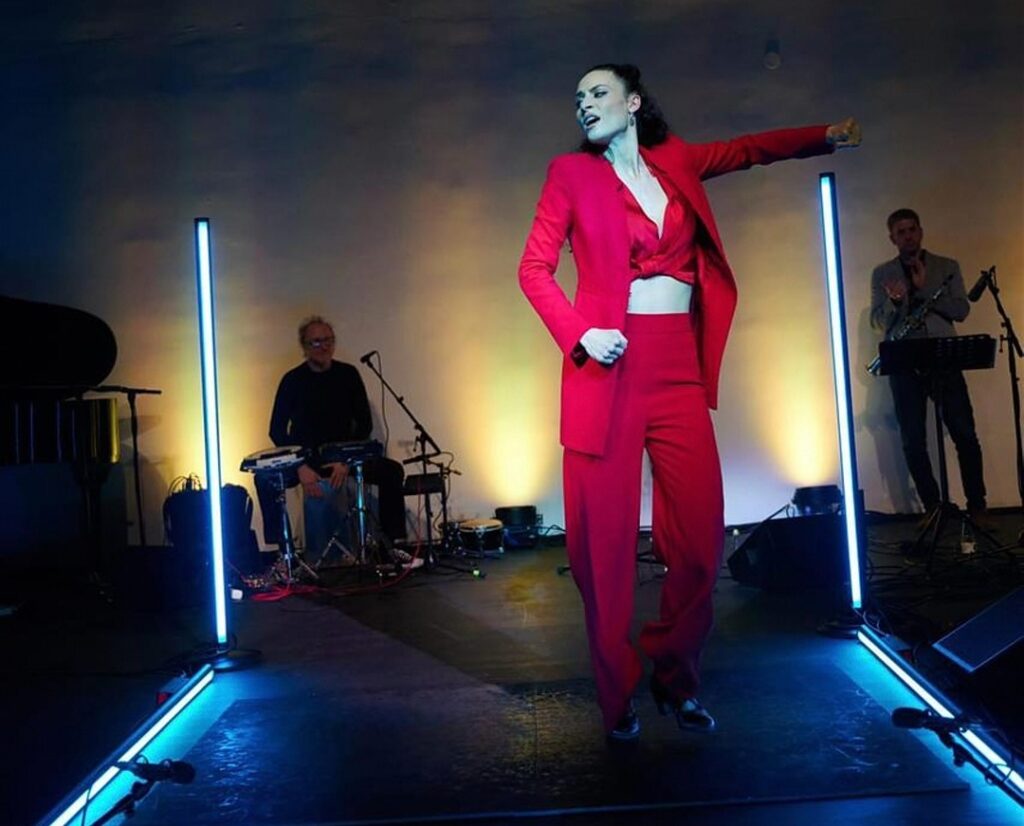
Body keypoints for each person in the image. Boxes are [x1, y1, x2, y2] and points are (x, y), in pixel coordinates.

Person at [518, 63, 860, 741]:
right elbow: (534, 268)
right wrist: (581, 333)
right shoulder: (570, 174)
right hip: (608, 371)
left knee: (702, 540)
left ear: (633, 102)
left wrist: (823, 135)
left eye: (598, 93)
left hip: (675, 366)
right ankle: (617, 696)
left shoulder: (675, 160)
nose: (584, 104)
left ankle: (676, 676)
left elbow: (747, 150)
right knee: (602, 554)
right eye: (578, 98)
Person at [258, 315, 407, 563]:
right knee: (264, 479)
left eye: (328, 340)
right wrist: (300, 466)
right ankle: (285, 554)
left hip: (343, 458)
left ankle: (392, 547)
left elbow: (364, 423)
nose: (323, 347)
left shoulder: (348, 374)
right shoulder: (292, 380)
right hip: (307, 460)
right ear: (305, 347)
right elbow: (276, 430)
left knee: (391, 471)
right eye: (316, 342)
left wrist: (346, 460)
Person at [869, 208, 987, 521]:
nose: (908, 236)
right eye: (901, 232)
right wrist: (895, 302)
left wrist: (924, 291)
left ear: (920, 232)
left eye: (912, 230)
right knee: (912, 440)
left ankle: (977, 505)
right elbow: (877, 321)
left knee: (964, 433)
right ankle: (933, 508)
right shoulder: (882, 274)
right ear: (892, 238)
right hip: (904, 361)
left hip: (944, 358)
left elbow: (961, 310)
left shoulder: (947, 267)